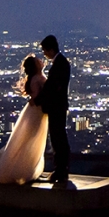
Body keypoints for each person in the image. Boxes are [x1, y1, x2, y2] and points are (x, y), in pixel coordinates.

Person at [0, 55, 47, 183]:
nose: (41, 61)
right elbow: (36, 98)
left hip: (35, 112)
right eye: (38, 61)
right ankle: (27, 170)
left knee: (32, 139)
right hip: (37, 112)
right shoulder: (37, 79)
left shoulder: (36, 78)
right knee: (32, 139)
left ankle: (30, 170)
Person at [36, 34, 72, 184]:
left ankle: (60, 169)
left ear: (50, 50)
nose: (44, 54)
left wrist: (38, 100)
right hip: (59, 106)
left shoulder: (59, 65)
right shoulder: (62, 63)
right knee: (58, 137)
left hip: (56, 107)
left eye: (45, 50)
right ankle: (61, 169)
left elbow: (52, 87)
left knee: (58, 138)